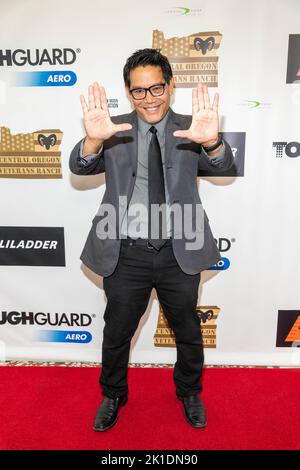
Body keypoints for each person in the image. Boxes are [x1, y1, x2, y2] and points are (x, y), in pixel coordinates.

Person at [69, 48, 234, 431]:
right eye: (138, 91)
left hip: (181, 251)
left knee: (188, 331)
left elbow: (224, 165)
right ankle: (113, 394)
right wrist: (92, 142)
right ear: (128, 93)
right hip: (125, 252)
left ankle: (189, 391)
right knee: (117, 332)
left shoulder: (194, 127)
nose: (149, 99)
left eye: (156, 88)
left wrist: (210, 142)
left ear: (171, 84)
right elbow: (80, 166)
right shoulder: (111, 129)